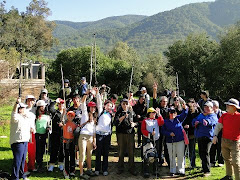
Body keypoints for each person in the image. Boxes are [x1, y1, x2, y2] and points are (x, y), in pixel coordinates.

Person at [212, 98, 240, 180]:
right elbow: (218, 126)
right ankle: (229, 176)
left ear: (234, 107)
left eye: (229, 105)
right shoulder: (224, 115)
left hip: (235, 142)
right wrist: (215, 136)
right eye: (227, 105)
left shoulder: (239, 117)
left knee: (236, 162)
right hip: (224, 140)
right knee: (227, 159)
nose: (227, 106)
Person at [192, 101, 218, 177]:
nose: (206, 109)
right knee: (201, 153)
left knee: (206, 153)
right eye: (205, 107)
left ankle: (207, 171)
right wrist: (195, 123)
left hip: (208, 137)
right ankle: (204, 167)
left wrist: (207, 122)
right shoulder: (201, 115)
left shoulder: (213, 115)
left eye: (208, 107)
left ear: (211, 108)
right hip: (200, 136)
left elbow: (213, 121)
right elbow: (194, 120)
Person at [162, 104, 188, 176]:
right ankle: (172, 170)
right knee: (172, 155)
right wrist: (169, 133)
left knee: (180, 155)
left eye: (174, 112)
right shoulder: (165, 121)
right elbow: (163, 131)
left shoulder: (178, 119)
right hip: (170, 141)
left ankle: (181, 170)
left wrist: (185, 108)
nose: (172, 114)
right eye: (171, 112)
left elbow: (185, 113)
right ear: (168, 113)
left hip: (180, 140)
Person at [114, 98, 137, 176]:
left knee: (131, 152)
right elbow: (116, 122)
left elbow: (137, 121)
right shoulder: (118, 113)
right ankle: (120, 168)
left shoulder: (132, 112)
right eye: (123, 104)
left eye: (126, 104)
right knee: (121, 151)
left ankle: (132, 168)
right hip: (121, 134)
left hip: (130, 134)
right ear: (121, 104)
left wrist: (134, 124)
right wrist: (123, 116)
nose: (125, 105)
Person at [78, 89, 98, 179]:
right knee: (82, 155)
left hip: (90, 137)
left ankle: (89, 170)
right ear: (89, 107)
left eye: (94, 107)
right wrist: (86, 94)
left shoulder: (94, 119)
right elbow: (82, 102)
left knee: (89, 155)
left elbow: (94, 132)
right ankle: (81, 173)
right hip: (83, 136)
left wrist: (94, 141)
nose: (93, 109)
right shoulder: (85, 113)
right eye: (91, 107)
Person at [10, 97, 32, 180]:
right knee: (17, 160)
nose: (25, 109)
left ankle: (21, 174)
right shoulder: (15, 117)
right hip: (18, 141)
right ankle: (15, 177)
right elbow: (13, 113)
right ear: (19, 109)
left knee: (23, 160)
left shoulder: (25, 117)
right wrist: (16, 103)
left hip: (25, 140)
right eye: (23, 108)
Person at [94, 88, 113, 176]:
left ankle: (105, 169)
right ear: (105, 106)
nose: (109, 107)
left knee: (106, 153)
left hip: (107, 136)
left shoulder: (111, 114)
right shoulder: (101, 111)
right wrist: (98, 93)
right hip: (99, 135)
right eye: (108, 105)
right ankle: (97, 169)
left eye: (110, 106)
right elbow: (99, 102)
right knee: (98, 152)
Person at [141, 107, 164, 178]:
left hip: (156, 139)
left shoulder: (157, 120)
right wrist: (150, 134)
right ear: (149, 113)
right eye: (153, 112)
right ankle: (146, 170)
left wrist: (159, 114)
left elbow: (162, 122)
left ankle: (155, 170)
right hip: (147, 140)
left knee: (156, 155)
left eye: (155, 113)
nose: (154, 114)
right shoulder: (145, 121)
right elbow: (143, 129)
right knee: (146, 155)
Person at [153, 82, 170, 166]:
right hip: (159, 129)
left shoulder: (169, 109)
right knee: (159, 145)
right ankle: (159, 159)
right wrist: (155, 90)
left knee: (166, 146)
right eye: (163, 101)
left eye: (166, 101)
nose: (164, 103)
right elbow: (154, 99)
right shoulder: (157, 107)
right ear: (160, 102)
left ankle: (167, 159)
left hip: (166, 129)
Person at [48, 98, 65, 172]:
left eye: (62, 103)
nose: (61, 105)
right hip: (55, 133)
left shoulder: (66, 113)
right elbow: (50, 108)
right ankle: (51, 164)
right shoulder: (55, 112)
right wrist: (55, 101)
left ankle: (61, 163)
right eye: (60, 104)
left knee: (62, 149)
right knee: (54, 149)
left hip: (63, 134)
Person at [182, 98, 200, 168]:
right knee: (183, 150)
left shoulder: (195, 113)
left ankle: (192, 164)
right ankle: (182, 164)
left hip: (192, 133)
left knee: (192, 150)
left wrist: (190, 126)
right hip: (185, 133)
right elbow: (182, 121)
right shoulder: (184, 113)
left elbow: (199, 117)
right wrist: (184, 125)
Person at [35, 100, 51, 172]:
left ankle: (41, 164)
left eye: (44, 106)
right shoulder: (36, 115)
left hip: (44, 133)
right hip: (37, 133)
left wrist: (48, 128)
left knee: (43, 149)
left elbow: (49, 124)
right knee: (38, 149)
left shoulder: (47, 115)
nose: (43, 107)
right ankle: (38, 164)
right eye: (42, 106)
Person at [24, 95, 37, 174]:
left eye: (31, 100)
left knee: (32, 151)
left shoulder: (35, 109)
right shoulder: (23, 109)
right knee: (24, 151)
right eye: (28, 100)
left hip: (32, 132)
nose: (30, 102)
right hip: (25, 132)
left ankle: (31, 166)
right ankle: (24, 168)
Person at [62, 111, 77, 179]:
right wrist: (64, 112)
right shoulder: (65, 123)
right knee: (66, 157)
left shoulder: (74, 125)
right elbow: (62, 120)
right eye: (69, 116)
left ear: (73, 117)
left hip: (72, 142)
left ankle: (72, 170)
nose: (70, 117)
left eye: (72, 116)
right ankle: (66, 171)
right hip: (65, 142)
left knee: (72, 156)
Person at [210, 100, 224, 167]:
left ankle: (220, 161)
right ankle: (212, 162)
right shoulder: (211, 114)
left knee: (220, 147)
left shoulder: (222, 113)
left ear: (215, 107)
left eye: (212, 106)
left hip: (221, 133)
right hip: (212, 133)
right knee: (212, 147)